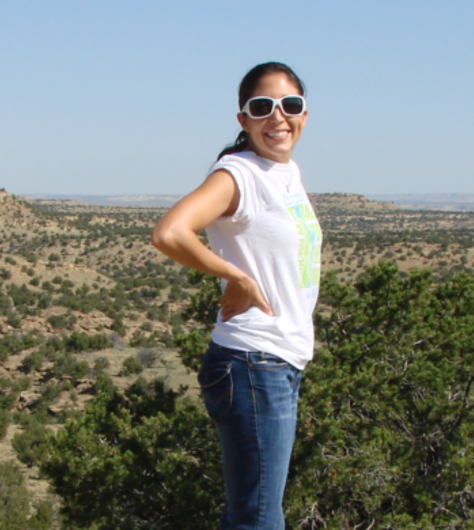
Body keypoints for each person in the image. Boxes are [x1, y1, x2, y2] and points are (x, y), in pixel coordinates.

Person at [151, 61, 322, 530]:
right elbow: (170, 232)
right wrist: (236, 279)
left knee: (256, 513)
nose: (278, 117)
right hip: (253, 362)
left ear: (305, 114)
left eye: (290, 105)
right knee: (259, 518)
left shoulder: (285, 173)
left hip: (277, 361)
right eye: (262, 107)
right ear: (243, 118)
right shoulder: (239, 174)